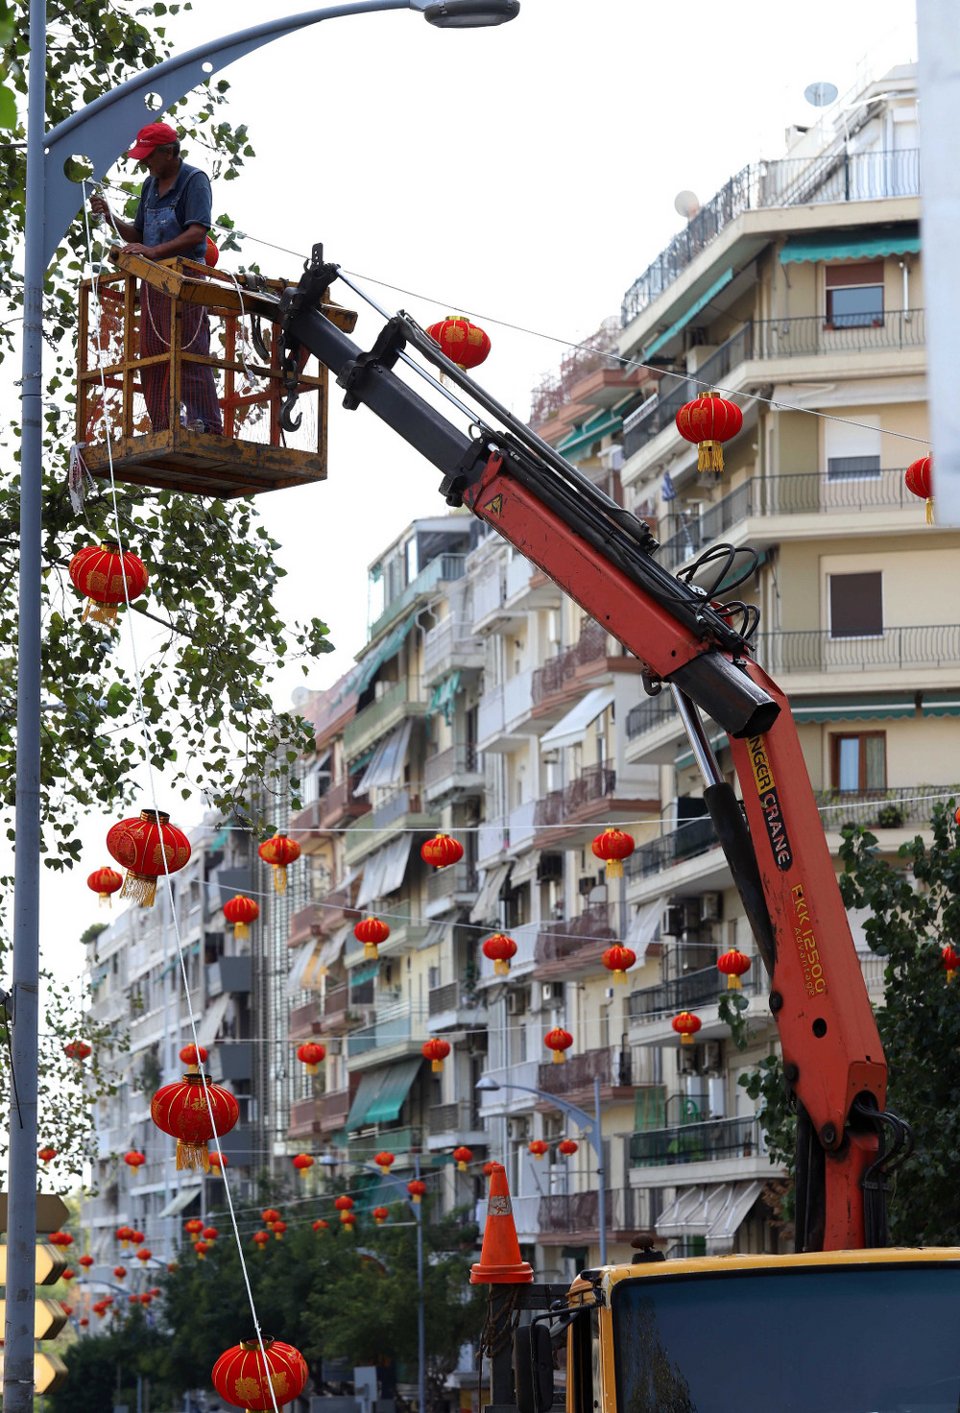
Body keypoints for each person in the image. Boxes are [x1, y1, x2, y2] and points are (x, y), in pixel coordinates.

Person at [90, 121, 223, 435]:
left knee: (189, 352)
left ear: (169, 152)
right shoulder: (150, 186)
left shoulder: (194, 180)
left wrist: (153, 251)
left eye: (149, 156)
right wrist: (111, 217)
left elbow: (196, 233)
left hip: (187, 279)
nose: (143, 162)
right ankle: (163, 424)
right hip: (153, 282)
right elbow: (139, 234)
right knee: (152, 354)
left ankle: (205, 424)